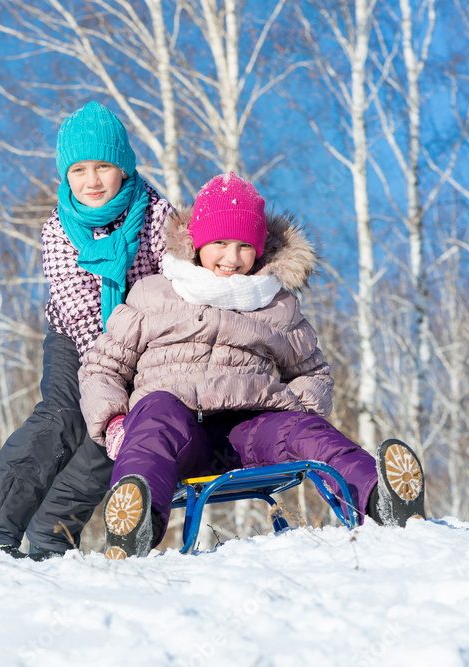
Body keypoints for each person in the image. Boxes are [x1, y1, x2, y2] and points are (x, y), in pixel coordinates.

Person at [77, 172, 426, 559]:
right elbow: (102, 366)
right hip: (178, 428)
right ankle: (136, 525)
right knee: (155, 418)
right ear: (196, 242)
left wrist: (301, 412)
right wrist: (113, 422)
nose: (231, 258)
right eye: (220, 243)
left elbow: (312, 371)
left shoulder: (275, 305)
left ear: (259, 250)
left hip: (251, 428)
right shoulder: (154, 294)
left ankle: (383, 501)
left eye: (245, 246)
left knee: (307, 433)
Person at [0, 101, 174, 558]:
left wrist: (143, 360)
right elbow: (77, 311)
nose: (91, 181)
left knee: (117, 429)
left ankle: (53, 532)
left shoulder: (156, 216)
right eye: (78, 170)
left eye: (103, 167)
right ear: (65, 175)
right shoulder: (59, 229)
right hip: (78, 339)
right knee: (63, 417)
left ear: (124, 166)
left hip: (146, 343)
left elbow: (172, 286)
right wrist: (111, 369)